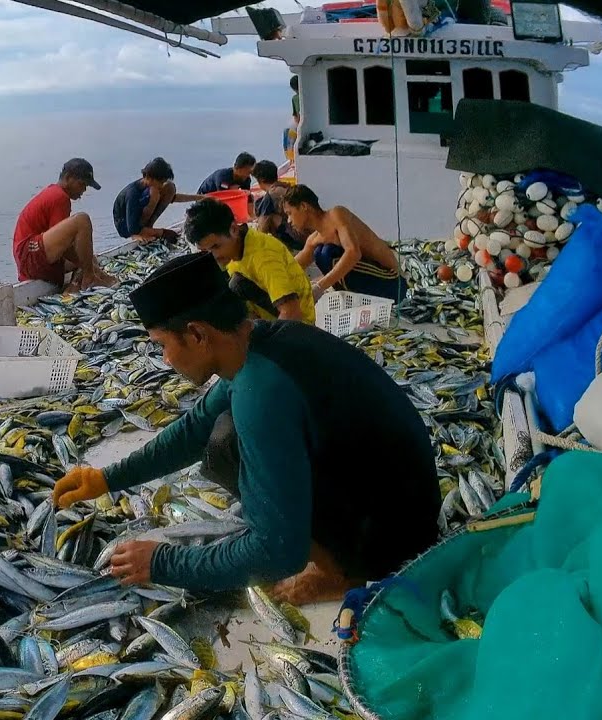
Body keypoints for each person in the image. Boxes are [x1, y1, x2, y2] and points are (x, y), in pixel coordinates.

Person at [52, 253, 439, 605]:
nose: (165, 359)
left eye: (162, 345)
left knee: (229, 445)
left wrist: (162, 561)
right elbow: (194, 428)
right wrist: (107, 479)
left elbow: (277, 552)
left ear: (198, 334)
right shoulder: (260, 344)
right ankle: (339, 556)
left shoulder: (261, 391)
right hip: (406, 503)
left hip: (395, 541)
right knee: (219, 432)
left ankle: (341, 572)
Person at [185, 198, 316, 325]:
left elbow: (292, 313)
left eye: (215, 247)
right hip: (269, 313)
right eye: (205, 251)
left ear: (234, 229)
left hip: (300, 324)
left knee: (235, 285)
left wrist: (269, 344)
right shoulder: (235, 247)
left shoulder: (264, 258)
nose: (214, 256)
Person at [285, 184, 407, 302]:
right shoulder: (314, 239)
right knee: (319, 252)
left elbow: (353, 253)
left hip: (392, 282)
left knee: (327, 252)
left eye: (290, 213)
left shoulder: (336, 214)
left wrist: (319, 287)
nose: (289, 221)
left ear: (303, 206)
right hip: (369, 287)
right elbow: (292, 268)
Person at [12, 158, 117, 291]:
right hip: (30, 255)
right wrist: (93, 270)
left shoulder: (54, 193)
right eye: (82, 184)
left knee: (90, 258)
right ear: (68, 178)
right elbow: (65, 247)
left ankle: (73, 287)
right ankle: (90, 279)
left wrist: (89, 263)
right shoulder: (59, 197)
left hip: (31, 260)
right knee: (82, 220)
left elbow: (67, 245)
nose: (84, 190)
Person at [112, 157, 203, 245]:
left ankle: (148, 228)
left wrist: (200, 197)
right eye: (160, 182)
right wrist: (162, 232)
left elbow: (172, 198)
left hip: (138, 220)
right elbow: (132, 228)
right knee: (154, 193)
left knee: (169, 187)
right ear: (149, 177)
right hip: (126, 227)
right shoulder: (133, 193)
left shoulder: (150, 187)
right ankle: (142, 232)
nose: (161, 185)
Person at [250, 160, 302, 252]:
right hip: (305, 232)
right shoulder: (284, 187)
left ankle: (278, 249)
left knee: (269, 218)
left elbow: (263, 224)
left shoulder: (272, 194)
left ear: (261, 180)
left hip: (298, 237)